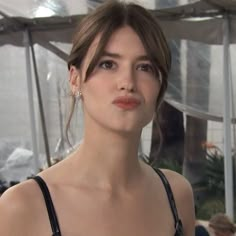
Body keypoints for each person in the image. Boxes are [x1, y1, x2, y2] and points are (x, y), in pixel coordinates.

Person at [0, 1, 195, 235]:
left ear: (160, 84)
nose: (127, 82)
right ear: (75, 79)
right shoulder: (23, 206)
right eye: (108, 64)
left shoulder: (176, 195)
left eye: (145, 67)